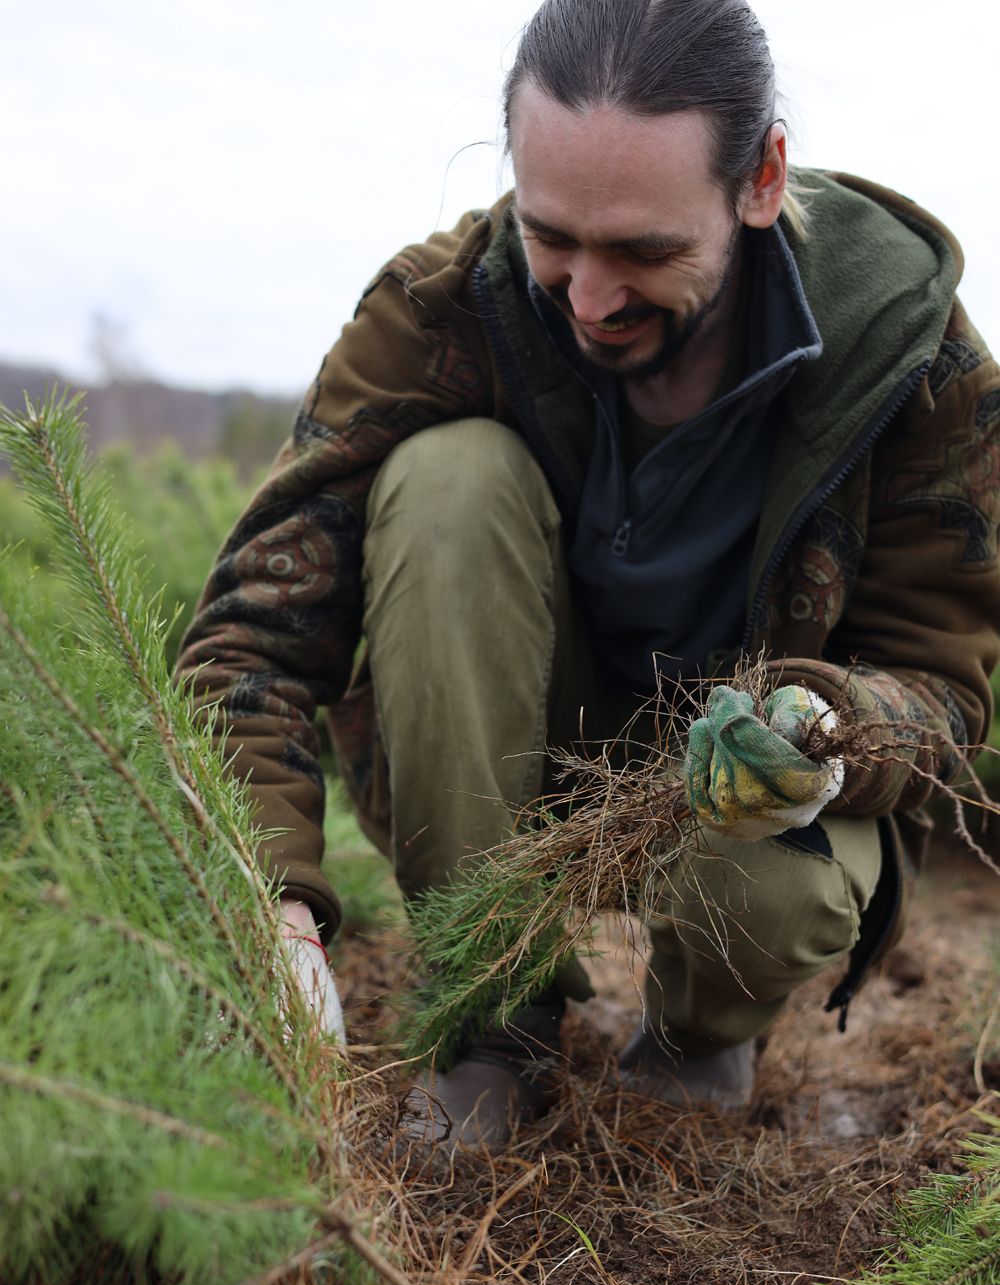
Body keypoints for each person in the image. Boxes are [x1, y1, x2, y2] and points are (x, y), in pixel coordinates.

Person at [176, 0, 1000, 1148]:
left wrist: (829, 727)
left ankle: (700, 1034)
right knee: (449, 478)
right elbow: (251, 638)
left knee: (774, 888)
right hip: (502, 751)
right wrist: (272, 901)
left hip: (743, 809)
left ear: (760, 180)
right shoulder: (442, 313)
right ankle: (487, 1013)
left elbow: (947, 696)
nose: (591, 299)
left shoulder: (906, 364)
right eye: (551, 235)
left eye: (645, 252)